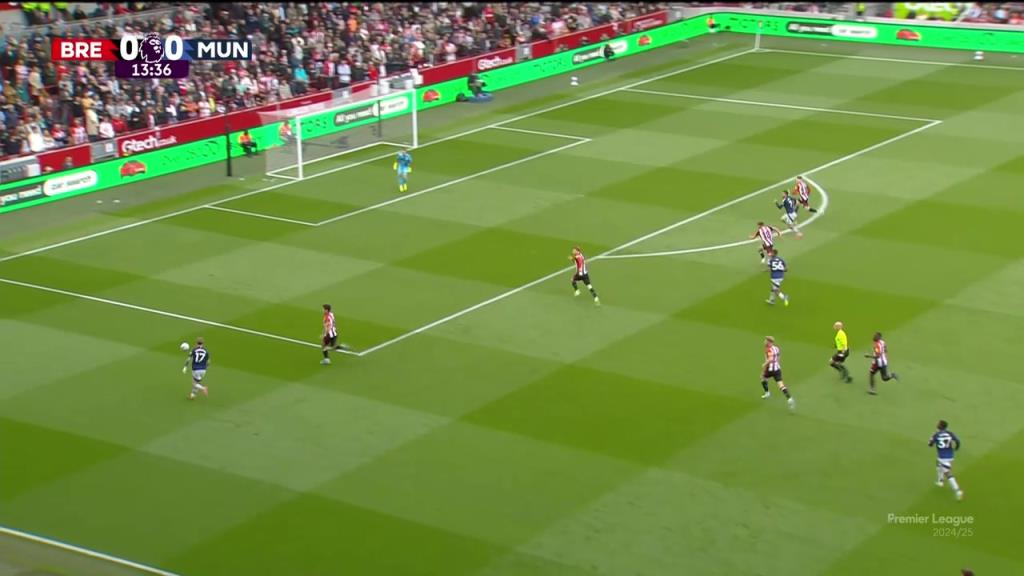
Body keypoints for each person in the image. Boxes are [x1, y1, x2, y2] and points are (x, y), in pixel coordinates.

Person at [929, 420, 963, 500]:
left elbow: (930, 444)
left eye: (938, 424)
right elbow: (958, 441)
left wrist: (932, 440)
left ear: (940, 426)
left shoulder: (936, 434)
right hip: (950, 455)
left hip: (942, 457)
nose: (936, 424)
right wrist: (956, 448)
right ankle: (940, 481)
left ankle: (958, 491)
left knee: (947, 473)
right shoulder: (950, 433)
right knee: (938, 464)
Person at [760, 336, 795, 410]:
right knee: (781, 385)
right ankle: (789, 398)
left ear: (769, 342)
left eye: (766, 340)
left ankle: (767, 393)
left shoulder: (768, 349)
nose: (764, 341)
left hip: (770, 369)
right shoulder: (776, 348)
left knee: (762, 377)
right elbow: (778, 356)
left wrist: (764, 364)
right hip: (777, 369)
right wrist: (777, 363)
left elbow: (770, 359)